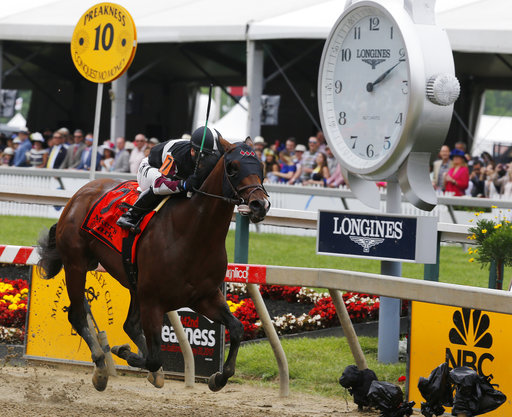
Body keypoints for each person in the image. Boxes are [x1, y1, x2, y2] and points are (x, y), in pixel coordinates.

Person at [117, 126, 221, 232]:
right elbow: (159, 184)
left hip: (176, 173)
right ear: (192, 151)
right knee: (165, 185)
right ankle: (130, 215)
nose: (205, 161)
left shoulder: (211, 154)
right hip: (151, 168)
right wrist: (184, 184)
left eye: (208, 156)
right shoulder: (175, 155)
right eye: (202, 156)